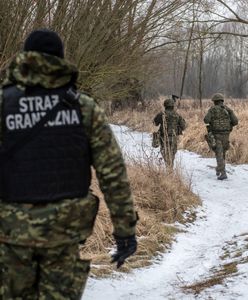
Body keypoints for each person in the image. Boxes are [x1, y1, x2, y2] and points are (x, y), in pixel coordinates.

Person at [0, 29, 138, 299]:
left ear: (24, 58)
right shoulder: (83, 108)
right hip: (63, 234)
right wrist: (125, 231)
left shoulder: (3, 105)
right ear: (60, 60)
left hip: (9, 234)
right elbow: (113, 174)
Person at [204, 93, 238, 180]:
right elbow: (235, 122)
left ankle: (222, 172)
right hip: (226, 135)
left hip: (216, 134)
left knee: (219, 153)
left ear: (214, 101)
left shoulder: (213, 109)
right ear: (222, 101)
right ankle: (220, 170)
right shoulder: (228, 110)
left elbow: (206, 120)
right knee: (222, 153)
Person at [153, 98, 186, 167]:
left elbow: (155, 123)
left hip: (163, 137)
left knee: (165, 154)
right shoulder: (177, 115)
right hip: (173, 138)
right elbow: (183, 126)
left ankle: (169, 169)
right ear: (173, 106)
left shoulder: (161, 114)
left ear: (165, 105)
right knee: (172, 154)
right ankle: (170, 169)